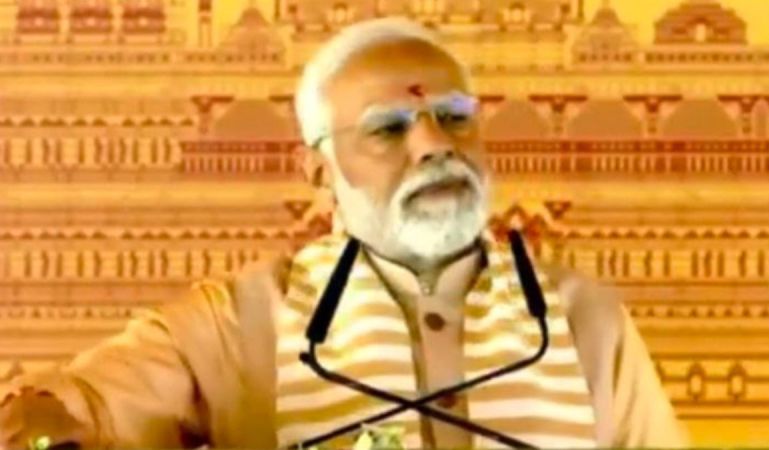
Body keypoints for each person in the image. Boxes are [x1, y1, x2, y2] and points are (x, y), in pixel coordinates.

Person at [0, 17, 689, 449]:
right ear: (319, 172)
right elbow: (78, 410)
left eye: (454, 118)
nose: (434, 146)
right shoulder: (236, 323)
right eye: (388, 129)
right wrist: (43, 423)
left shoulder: (584, 317)